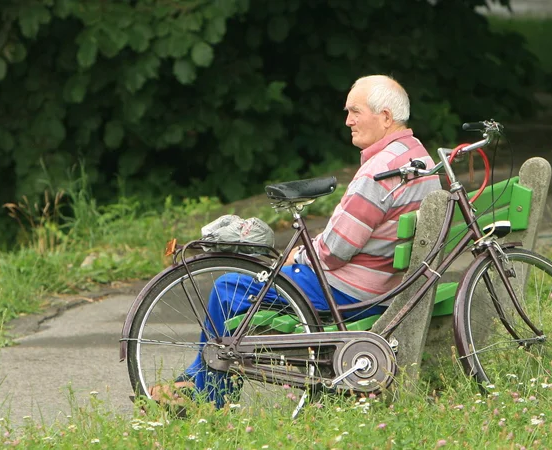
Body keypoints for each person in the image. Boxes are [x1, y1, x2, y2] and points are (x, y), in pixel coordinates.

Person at [149, 75, 442, 406]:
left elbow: (333, 252)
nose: (348, 120)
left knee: (229, 287)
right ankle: (194, 383)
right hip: (384, 285)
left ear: (386, 117)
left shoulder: (381, 171)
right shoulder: (420, 160)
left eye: (355, 111)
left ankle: (208, 393)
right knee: (246, 284)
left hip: (349, 291)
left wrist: (297, 257)